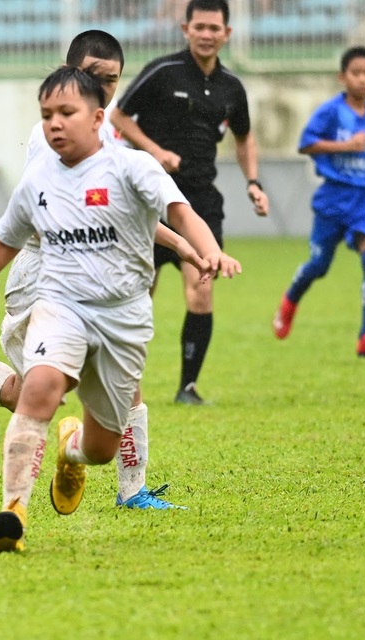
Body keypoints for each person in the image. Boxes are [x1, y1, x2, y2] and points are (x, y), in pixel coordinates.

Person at [0, 67, 240, 552]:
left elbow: (181, 213)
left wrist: (209, 249)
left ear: (97, 118)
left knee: (100, 448)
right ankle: (13, 512)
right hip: (61, 308)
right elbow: (3, 241)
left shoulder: (133, 167)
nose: (54, 123)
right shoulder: (38, 180)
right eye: (46, 114)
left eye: (66, 112)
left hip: (122, 320)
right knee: (39, 390)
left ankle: (71, 452)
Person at [111, 0, 269, 405]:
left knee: (202, 292)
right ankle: (124, 382)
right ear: (185, 29)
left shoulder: (232, 87)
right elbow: (119, 117)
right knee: (138, 296)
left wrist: (253, 182)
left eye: (214, 28)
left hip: (199, 201)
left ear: (227, 34)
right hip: (149, 199)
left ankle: (188, 387)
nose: (206, 34)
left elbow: (244, 137)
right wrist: (155, 152)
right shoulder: (163, 71)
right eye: (199, 27)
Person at [273, 46, 365, 356]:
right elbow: (306, 144)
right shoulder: (331, 111)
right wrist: (345, 146)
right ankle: (290, 301)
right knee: (319, 265)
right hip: (333, 199)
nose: (362, 79)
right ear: (343, 77)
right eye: (356, 73)